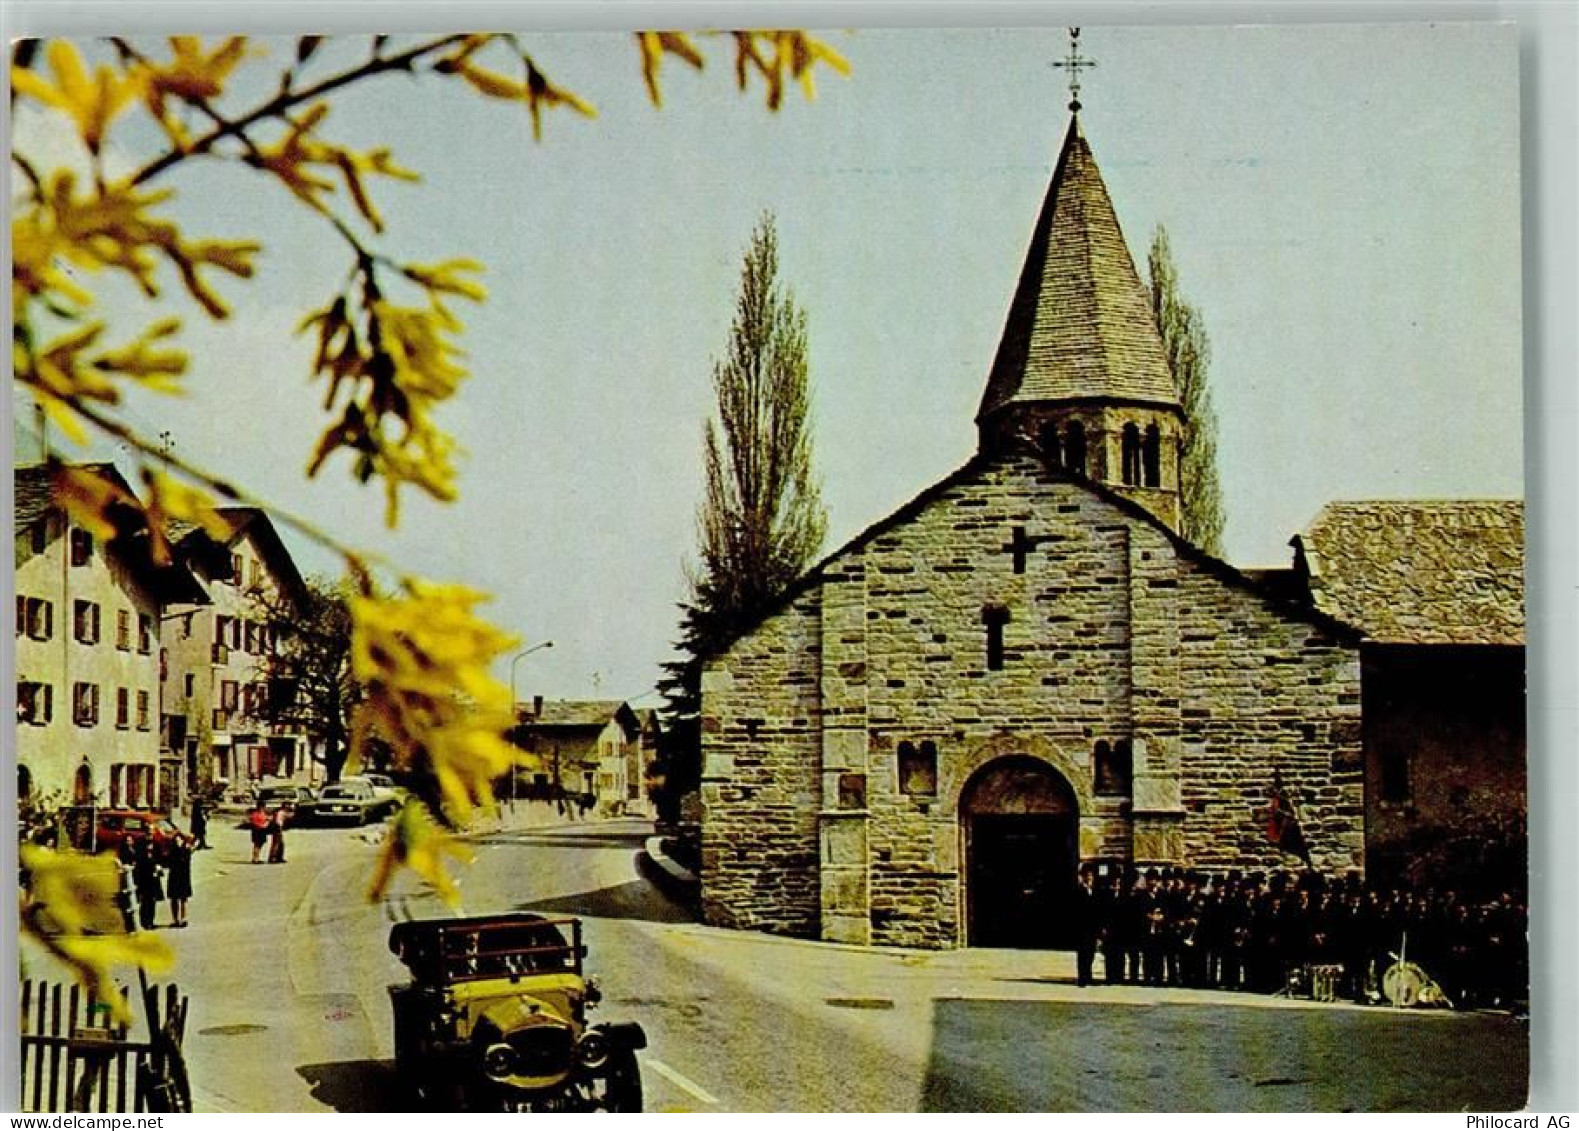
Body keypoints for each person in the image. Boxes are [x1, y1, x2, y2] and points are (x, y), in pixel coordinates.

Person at [132, 837, 164, 931]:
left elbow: (160, 859)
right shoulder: (140, 846)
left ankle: (151, 921)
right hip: (144, 879)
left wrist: (159, 867)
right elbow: (138, 863)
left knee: (152, 902)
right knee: (144, 901)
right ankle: (144, 921)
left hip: (154, 879)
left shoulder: (156, 845)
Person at [166, 834, 194, 928]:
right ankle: (175, 920)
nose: (178, 842)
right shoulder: (172, 851)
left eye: (179, 840)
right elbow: (168, 862)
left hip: (183, 876)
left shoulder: (186, 850)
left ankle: (183, 919)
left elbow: (186, 860)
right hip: (174, 877)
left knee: (183, 899)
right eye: (176, 840)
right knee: (174, 899)